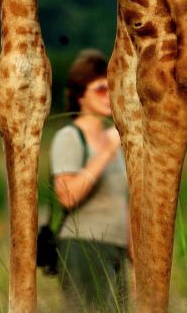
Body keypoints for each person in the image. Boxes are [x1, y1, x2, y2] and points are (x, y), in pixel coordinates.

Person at [50, 49, 130, 311]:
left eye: (112, 88)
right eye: (100, 89)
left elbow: (122, 202)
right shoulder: (70, 137)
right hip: (84, 244)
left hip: (116, 247)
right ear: (80, 94)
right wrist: (106, 151)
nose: (109, 96)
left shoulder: (116, 138)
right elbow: (66, 195)